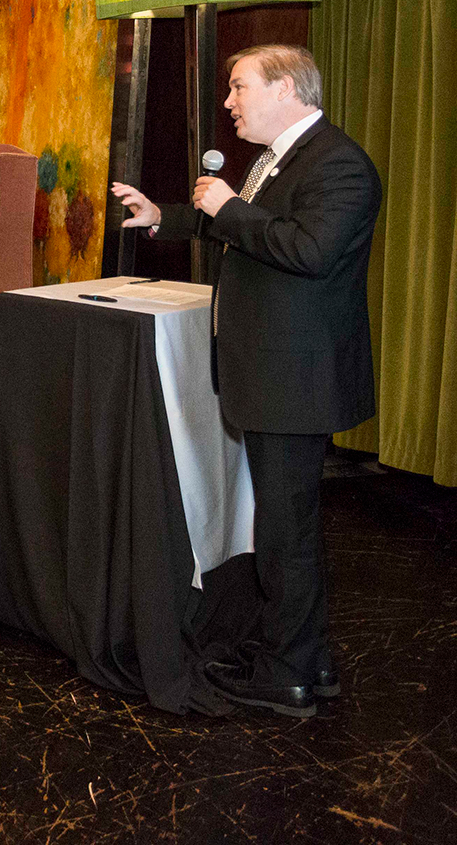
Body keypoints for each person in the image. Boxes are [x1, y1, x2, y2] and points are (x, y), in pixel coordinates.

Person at [110, 44, 381, 718]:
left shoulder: (340, 162)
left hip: (296, 377)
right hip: (272, 372)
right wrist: (165, 216)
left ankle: (288, 673)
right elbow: (248, 228)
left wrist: (230, 206)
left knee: (288, 529)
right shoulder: (280, 160)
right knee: (286, 525)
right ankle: (306, 661)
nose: (228, 102)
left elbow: (308, 248)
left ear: (285, 87)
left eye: (239, 88)